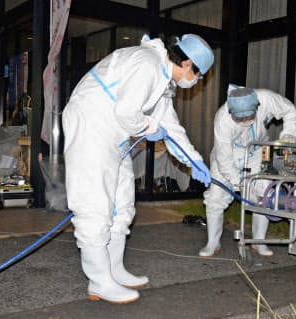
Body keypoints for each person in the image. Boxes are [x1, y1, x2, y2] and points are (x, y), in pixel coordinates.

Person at [63, 34, 214, 304]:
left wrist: (195, 160)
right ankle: (100, 281)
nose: (196, 82)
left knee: (122, 203)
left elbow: (173, 130)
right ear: (188, 63)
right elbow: (127, 112)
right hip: (91, 126)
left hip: (115, 136)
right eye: (199, 76)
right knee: (94, 205)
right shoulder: (146, 64)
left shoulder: (163, 83)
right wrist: (150, 127)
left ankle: (114, 269)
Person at [199, 85, 296, 257]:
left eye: (249, 116)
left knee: (262, 195)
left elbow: (291, 111)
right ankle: (212, 243)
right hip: (228, 154)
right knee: (216, 197)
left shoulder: (266, 99)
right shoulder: (222, 119)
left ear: (257, 106)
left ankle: (258, 242)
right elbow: (224, 158)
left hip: (255, 152)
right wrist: (238, 182)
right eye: (240, 118)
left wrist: (289, 134)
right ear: (231, 112)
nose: (246, 120)